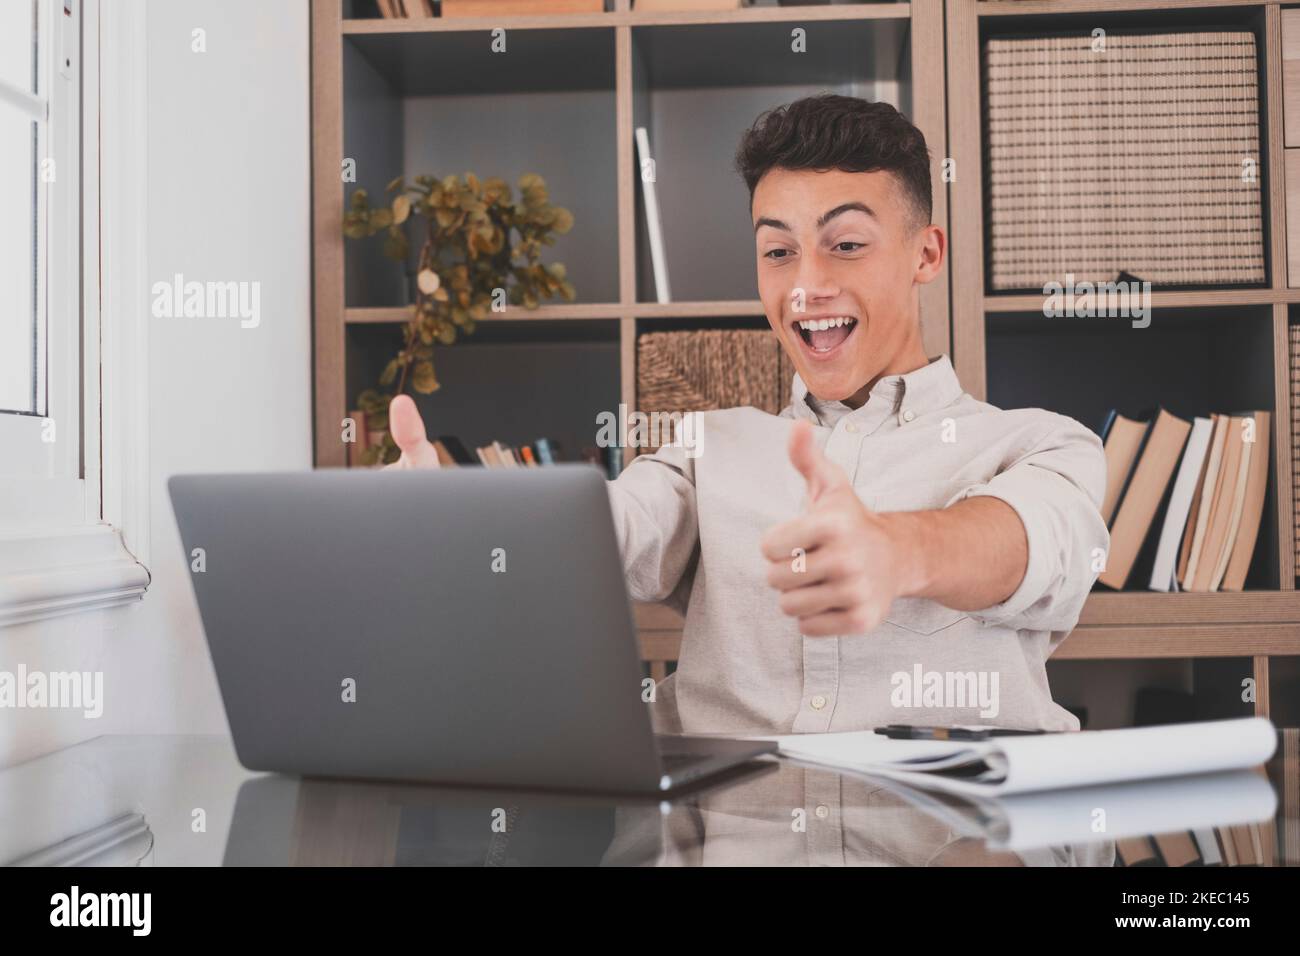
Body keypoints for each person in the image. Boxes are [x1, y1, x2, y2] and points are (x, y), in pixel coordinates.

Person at [384, 94, 1109, 737]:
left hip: (955, 836)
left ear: (926, 253)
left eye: (846, 245)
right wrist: (462, 517)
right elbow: (612, 526)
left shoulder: (1040, 445)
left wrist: (896, 552)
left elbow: (1038, 539)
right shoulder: (709, 449)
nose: (807, 286)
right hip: (713, 828)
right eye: (778, 251)